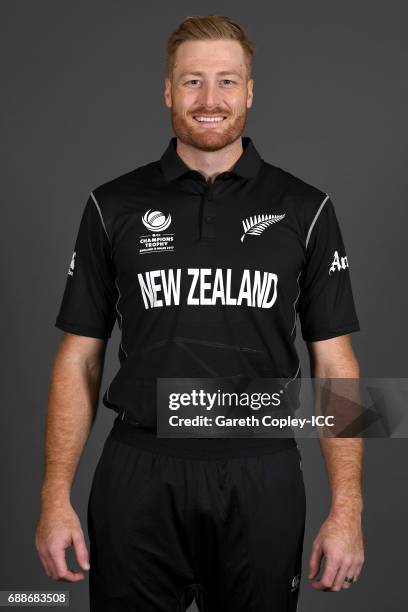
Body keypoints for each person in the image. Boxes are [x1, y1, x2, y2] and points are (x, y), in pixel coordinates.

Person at [35, 14, 365, 612]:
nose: (210, 100)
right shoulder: (111, 206)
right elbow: (80, 357)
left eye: (227, 81)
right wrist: (53, 497)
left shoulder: (306, 209)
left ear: (250, 92)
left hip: (259, 470)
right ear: (167, 91)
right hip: (138, 470)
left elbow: (334, 361)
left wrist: (348, 509)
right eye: (192, 82)